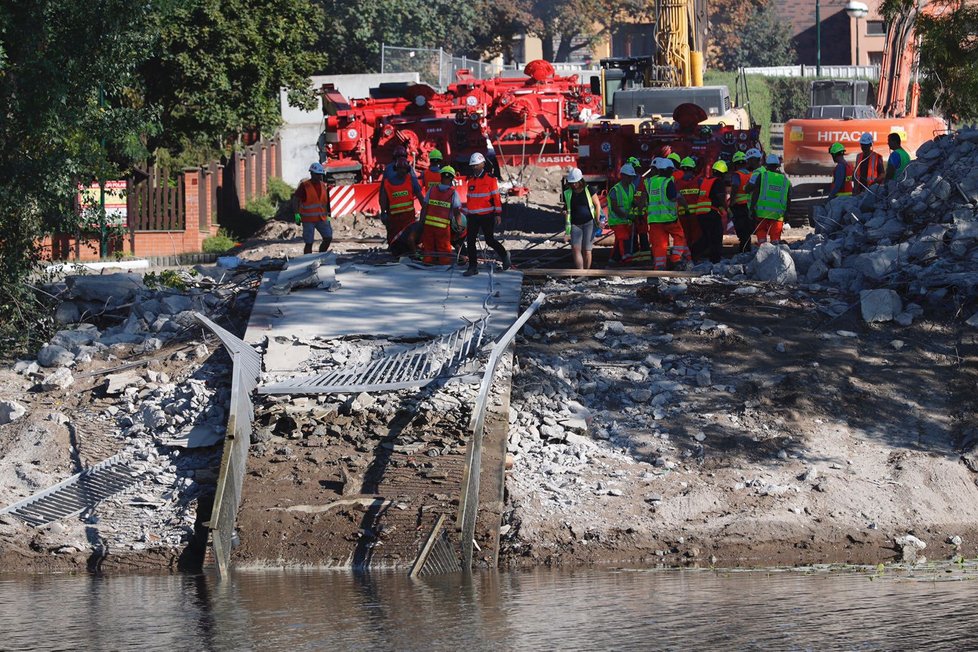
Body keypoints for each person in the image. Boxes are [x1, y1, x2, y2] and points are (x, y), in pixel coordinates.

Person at [463, 152, 510, 276]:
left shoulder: (490, 179)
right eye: (472, 166)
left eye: (476, 165)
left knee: (489, 240)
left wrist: (498, 214)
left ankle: (504, 255)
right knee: (471, 241)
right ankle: (473, 267)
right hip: (472, 216)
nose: (474, 167)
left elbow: (496, 197)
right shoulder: (471, 181)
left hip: (487, 215)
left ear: (483, 164)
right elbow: (470, 199)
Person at [379, 146, 425, 255]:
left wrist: (383, 212)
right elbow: (418, 193)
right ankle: (408, 250)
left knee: (394, 237)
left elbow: (382, 196)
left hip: (393, 214)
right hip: (406, 215)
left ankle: (396, 251)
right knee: (409, 235)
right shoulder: (409, 175)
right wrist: (426, 207)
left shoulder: (388, 172)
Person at [646, 157, 690, 271]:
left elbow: (645, 199)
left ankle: (659, 267)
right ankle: (675, 259)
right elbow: (673, 197)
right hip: (669, 219)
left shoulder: (650, 182)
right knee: (679, 236)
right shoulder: (667, 182)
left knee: (659, 245)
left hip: (654, 220)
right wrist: (685, 206)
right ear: (667, 170)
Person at [418, 166, 463, 264]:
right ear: (452, 178)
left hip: (428, 226)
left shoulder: (432, 190)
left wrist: (421, 222)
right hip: (443, 228)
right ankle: (443, 266)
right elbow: (457, 212)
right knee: (444, 251)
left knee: (428, 249)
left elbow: (424, 207)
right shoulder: (453, 193)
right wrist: (460, 227)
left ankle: (427, 263)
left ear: (441, 177)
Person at [563, 167, 602, 270]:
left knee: (587, 249)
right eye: (572, 183)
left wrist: (597, 220)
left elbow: (597, 204)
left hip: (589, 222)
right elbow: (567, 208)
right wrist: (564, 213)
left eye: (575, 182)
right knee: (575, 248)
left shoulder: (589, 190)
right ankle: (580, 272)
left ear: (580, 181)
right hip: (575, 224)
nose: (574, 185)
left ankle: (586, 273)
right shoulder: (568, 193)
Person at [293, 162, 333, 255]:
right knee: (309, 242)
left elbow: (325, 203)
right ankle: (307, 261)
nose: (319, 177)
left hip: (321, 218)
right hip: (308, 220)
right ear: (311, 173)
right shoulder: (304, 186)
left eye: (320, 175)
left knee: (328, 237)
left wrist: (328, 216)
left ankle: (321, 255)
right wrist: (297, 214)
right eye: (317, 175)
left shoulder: (323, 185)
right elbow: (296, 200)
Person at [751, 154, 792, 245]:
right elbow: (789, 199)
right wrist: (787, 214)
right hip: (778, 215)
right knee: (775, 241)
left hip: (762, 213)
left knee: (761, 237)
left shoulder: (762, 176)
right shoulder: (786, 181)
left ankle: (762, 253)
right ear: (778, 165)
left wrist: (752, 209)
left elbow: (755, 194)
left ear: (767, 165)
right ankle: (774, 256)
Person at [698, 160, 730, 263]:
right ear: (723, 173)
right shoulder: (718, 182)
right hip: (710, 213)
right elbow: (720, 198)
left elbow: (711, 198)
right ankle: (715, 260)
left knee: (706, 237)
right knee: (716, 236)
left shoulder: (706, 181)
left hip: (701, 213)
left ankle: (694, 254)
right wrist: (727, 209)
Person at [607, 163, 637, 265]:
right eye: (629, 177)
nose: (631, 179)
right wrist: (627, 216)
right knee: (624, 238)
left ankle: (614, 259)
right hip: (617, 220)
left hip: (625, 220)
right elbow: (615, 208)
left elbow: (630, 201)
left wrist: (634, 204)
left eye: (632, 177)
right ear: (623, 176)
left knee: (619, 240)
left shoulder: (632, 187)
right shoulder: (615, 190)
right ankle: (627, 259)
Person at [675, 157, 703, 255]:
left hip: (682, 214)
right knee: (696, 235)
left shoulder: (677, 183)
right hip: (695, 214)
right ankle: (695, 254)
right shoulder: (699, 181)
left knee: (685, 236)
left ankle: (687, 255)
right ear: (693, 169)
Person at [729, 151, 754, 252]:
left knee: (741, 230)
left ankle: (743, 250)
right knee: (747, 230)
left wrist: (731, 202)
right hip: (749, 206)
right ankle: (746, 249)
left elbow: (735, 187)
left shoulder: (737, 175)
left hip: (739, 206)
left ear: (735, 164)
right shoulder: (752, 175)